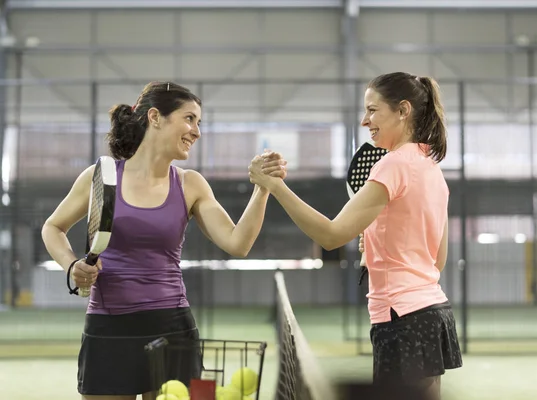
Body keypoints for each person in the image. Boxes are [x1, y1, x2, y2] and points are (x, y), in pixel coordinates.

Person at [41, 81, 286, 400]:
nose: (196, 131)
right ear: (155, 117)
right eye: (189, 118)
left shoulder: (191, 184)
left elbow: (238, 243)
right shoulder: (99, 176)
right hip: (108, 329)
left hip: (172, 328)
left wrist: (262, 188)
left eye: (199, 122)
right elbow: (53, 227)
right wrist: (71, 264)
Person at [250, 72, 462, 399]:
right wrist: (378, 243)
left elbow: (331, 235)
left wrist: (275, 187)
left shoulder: (393, 165)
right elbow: (438, 259)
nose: (365, 121)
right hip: (433, 314)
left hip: (401, 318)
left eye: (373, 110)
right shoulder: (431, 167)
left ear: (403, 110)